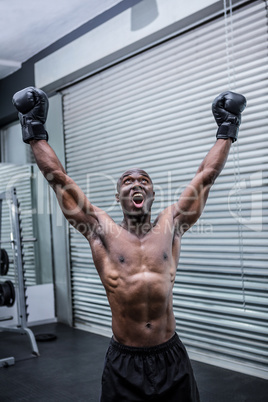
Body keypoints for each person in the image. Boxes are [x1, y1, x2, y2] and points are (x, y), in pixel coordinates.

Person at [12, 87, 246, 401]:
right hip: (124, 361)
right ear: (118, 195)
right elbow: (57, 176)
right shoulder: (98, 229)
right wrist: (34, 130)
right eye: (127, 181)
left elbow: (206, 175)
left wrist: (226, 130)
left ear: (152, 194)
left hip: (171, 356)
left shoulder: (172, 224)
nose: (136, 183)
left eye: (144, 180)